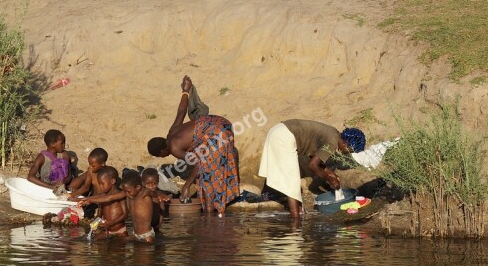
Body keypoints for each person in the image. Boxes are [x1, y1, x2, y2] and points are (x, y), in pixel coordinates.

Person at [147, 75, 240, 217]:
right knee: (207, 171)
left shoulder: (174, 148)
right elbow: (181, 111)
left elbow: (198, 163)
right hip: (222, 122)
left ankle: (211, 216)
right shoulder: (172, 132)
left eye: (161, 155)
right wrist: (185, 90)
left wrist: (186, 186)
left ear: (162, 151)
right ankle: (213, 210)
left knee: (206, 175)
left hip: (216, 133)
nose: (164, 156)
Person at [258, 120, 366, 218]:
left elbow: (314, 157)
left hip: (279, 130)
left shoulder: (333, 134)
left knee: (292, 182)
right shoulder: (332, 143)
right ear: (346, 144)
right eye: (349, 151)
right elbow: (313, 165)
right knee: (293, 183)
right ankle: (296, 221)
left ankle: (298, 211)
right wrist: (329, 178)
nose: (347, 154)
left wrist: (329, 172)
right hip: (284, 136)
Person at [93, 167, 128, 236]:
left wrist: (111, 223)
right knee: (94, 240)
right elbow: (99, 215)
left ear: (112, 181)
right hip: (107, 230)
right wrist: (94, 224)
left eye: (102, 184)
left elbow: (125, 215)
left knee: (121, 244)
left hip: (120, 231)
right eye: (99, 184)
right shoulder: (102, 197)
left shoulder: (119, 195)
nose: (100, 186)